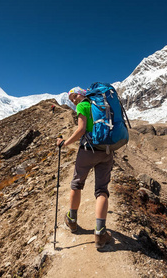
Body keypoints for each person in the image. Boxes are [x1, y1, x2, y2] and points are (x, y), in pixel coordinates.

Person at [56, 86, 113, 249]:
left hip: (88, 150)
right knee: (102, 190)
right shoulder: (102, 105)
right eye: (71, 98)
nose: (73, 100)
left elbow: (81, 129)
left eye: (74, 96)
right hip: (106, 151)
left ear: (81, 95)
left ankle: (72, 221)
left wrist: (65, 143)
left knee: (77, 183)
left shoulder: (83, 105)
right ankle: (100, 233)